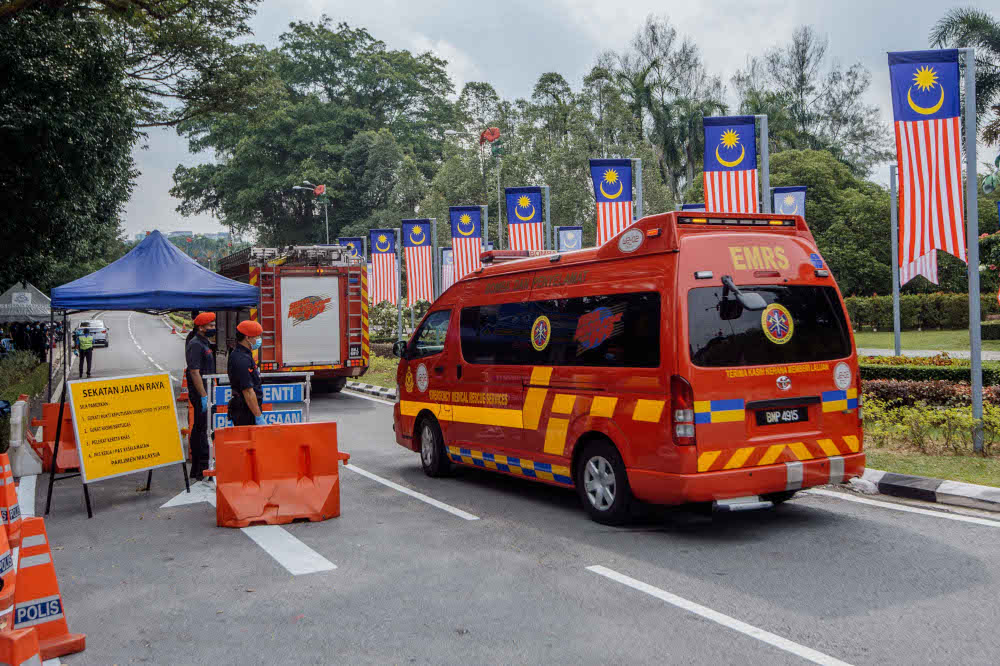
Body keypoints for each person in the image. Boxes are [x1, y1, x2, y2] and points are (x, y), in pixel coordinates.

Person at [185, 312, 217, 480]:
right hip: (202, 395)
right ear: (201, 327)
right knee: (202, 430)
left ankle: (199, 469)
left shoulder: (204, 343)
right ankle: (202, 467)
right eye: (210, 326)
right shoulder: (195, 344)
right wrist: (204, 396)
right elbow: (195, 372)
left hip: (208, 392)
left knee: (202, 429)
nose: (213, 328)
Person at [227, 320, 265, 427]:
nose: (259, 340)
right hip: (245, 411)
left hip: (249, 409)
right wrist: (258, 416)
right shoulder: (240, 359)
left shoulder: (245, 355)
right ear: (247, 338)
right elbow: (248, 391)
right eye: (257, 337)